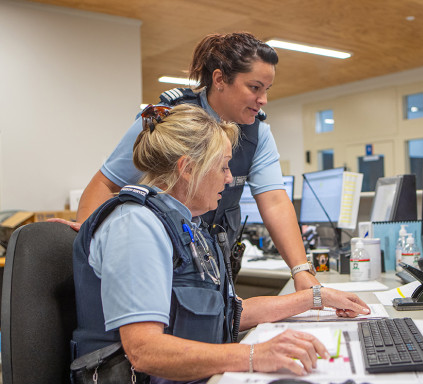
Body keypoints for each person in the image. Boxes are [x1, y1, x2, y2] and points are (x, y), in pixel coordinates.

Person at [71, 104, 370, 384]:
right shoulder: (136, 226)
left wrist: (314, 298)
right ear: (188, 169)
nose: (229, 178)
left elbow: (230, 313)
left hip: (192, 383)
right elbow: (144, 351)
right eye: (223, 166)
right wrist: (254, 355)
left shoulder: (188, 226)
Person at [73, 32, 322, 293]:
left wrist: (301, 270)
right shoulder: (169, 121)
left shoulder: (257, 134)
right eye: (254, 87)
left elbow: (275, 202)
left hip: (214, 264)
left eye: (266, 90)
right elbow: (105, 183)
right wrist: (87, 252)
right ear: (220, 79)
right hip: (159, 262)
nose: (263, 100)